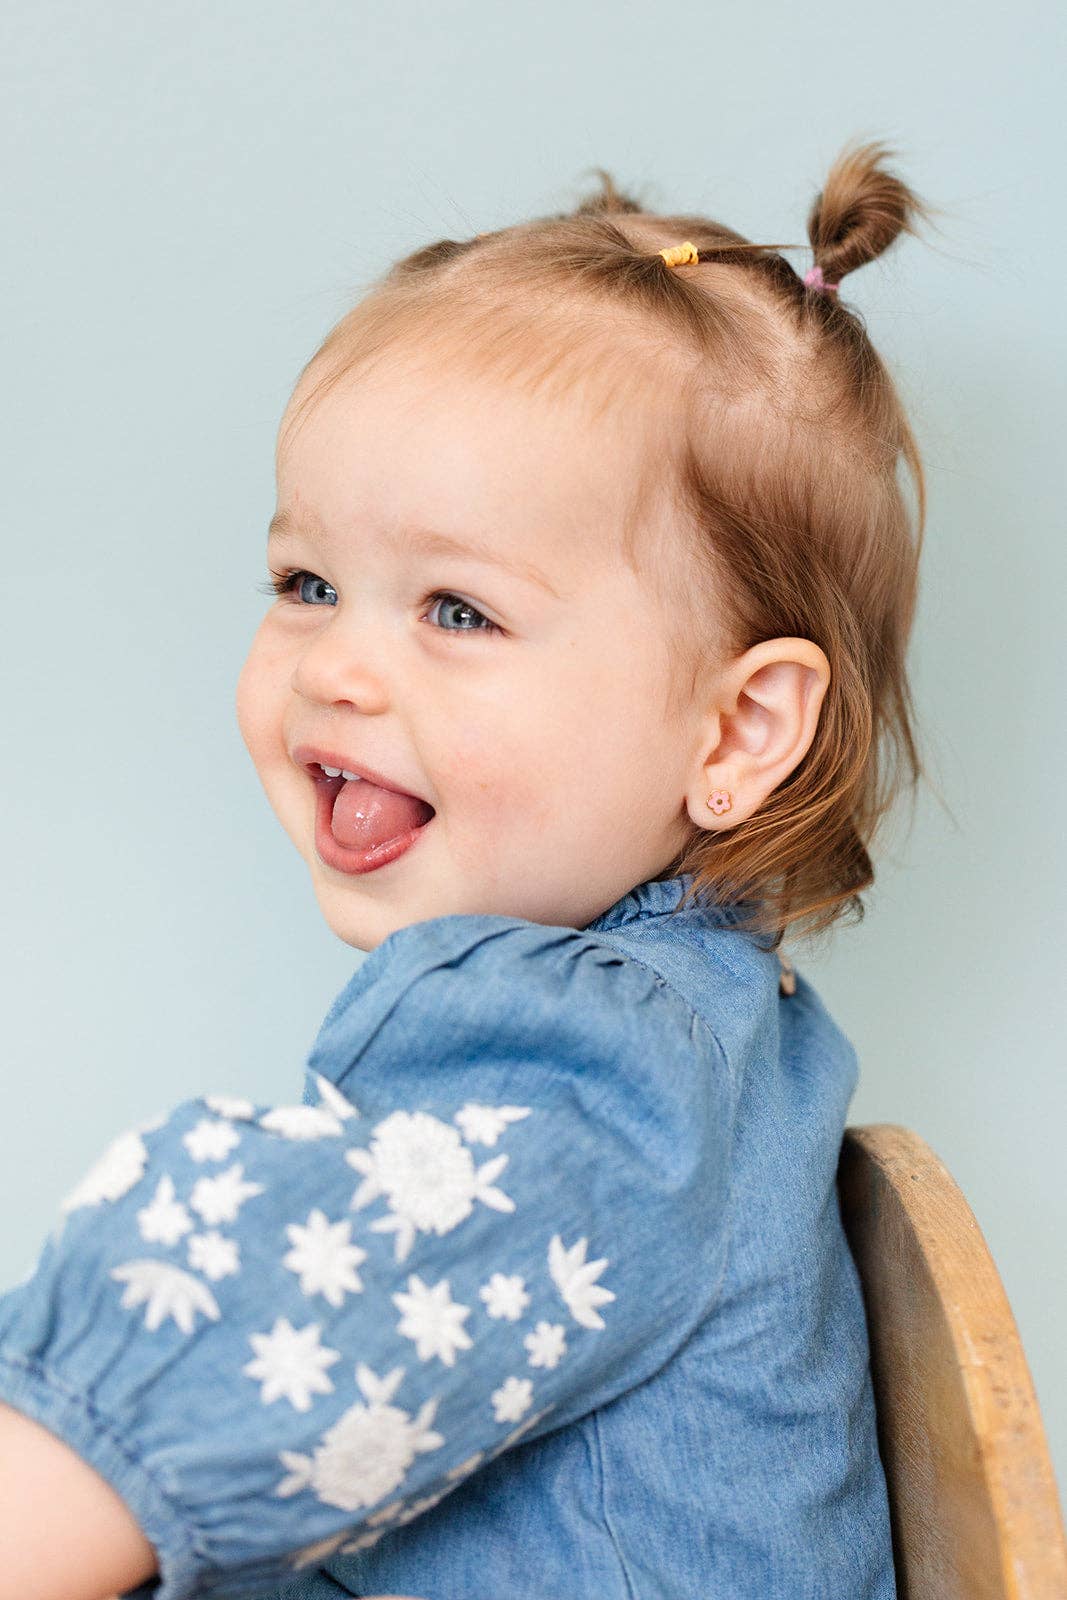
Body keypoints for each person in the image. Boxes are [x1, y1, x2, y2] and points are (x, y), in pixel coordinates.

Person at [0, 136, 939, 1600]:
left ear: (737, 727)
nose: (340, 671)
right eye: (308, 585)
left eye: (456, 610)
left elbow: (251, 1330)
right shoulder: (711, 1030)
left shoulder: (601, 1067)